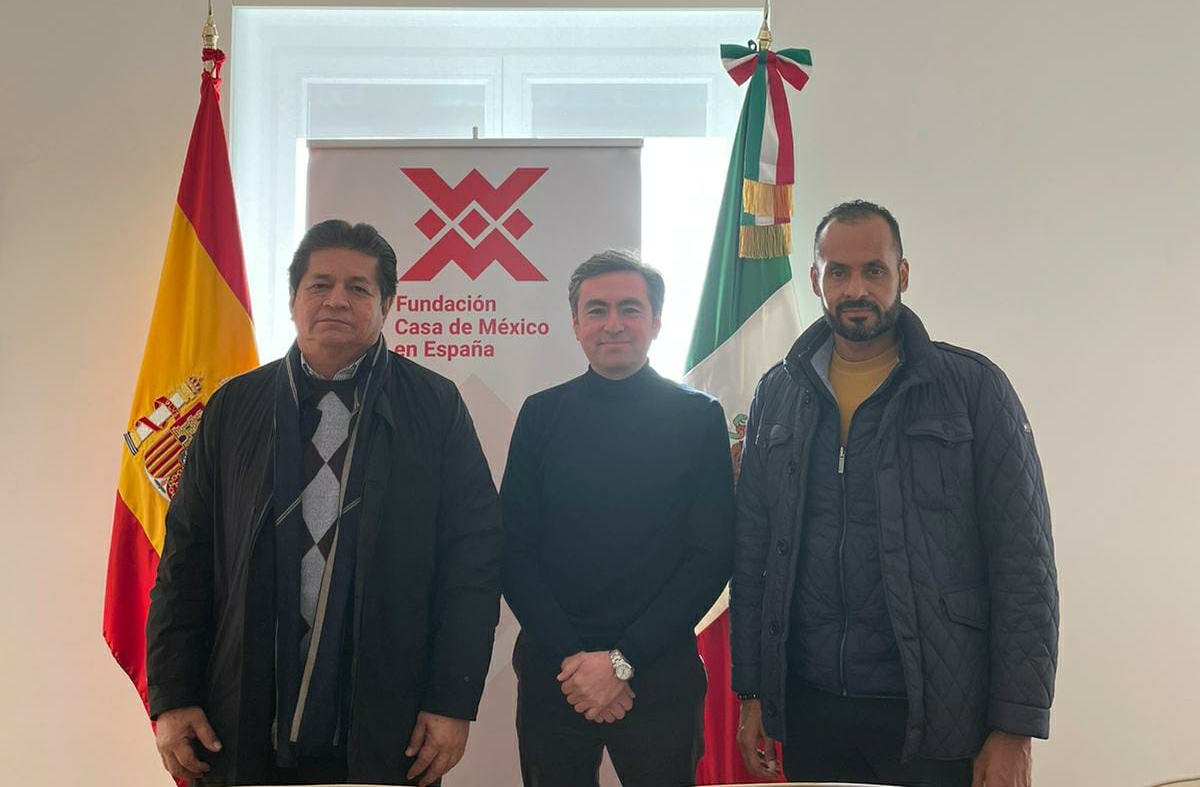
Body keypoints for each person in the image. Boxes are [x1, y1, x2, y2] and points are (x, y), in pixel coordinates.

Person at [146, 220, 503, 786]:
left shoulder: (436, 407)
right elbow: (184, 562)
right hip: (242, 709)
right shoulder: (234, 407)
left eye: (358, 287)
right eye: (320, 285)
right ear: (293, 299)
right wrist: (172, 696)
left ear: (387, 305)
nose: (337, 299)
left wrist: (452, 701)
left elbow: (472, 564)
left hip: (391, 713)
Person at [731, 201, 1059, 787]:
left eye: (874, 270)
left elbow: (1024, 565)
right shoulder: (777, 393)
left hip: (937, 712)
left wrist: (1015, 728)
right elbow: (754, 556)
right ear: (816, 279)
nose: (856, 289)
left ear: (902, 274)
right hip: (812, 708)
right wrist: (754, 692)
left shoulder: (972, 389)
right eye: (838, 272)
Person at [500, 250, 735, 787]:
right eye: (597, 310)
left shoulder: (698, 418)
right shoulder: (540, 415)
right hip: (556, 672)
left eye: (630, 309)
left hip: (661, 670)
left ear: (655, 322)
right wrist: (575, 661)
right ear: (575, 324)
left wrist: (623, 662)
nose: (613, 323)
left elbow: (710, 555)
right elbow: (513, 548)